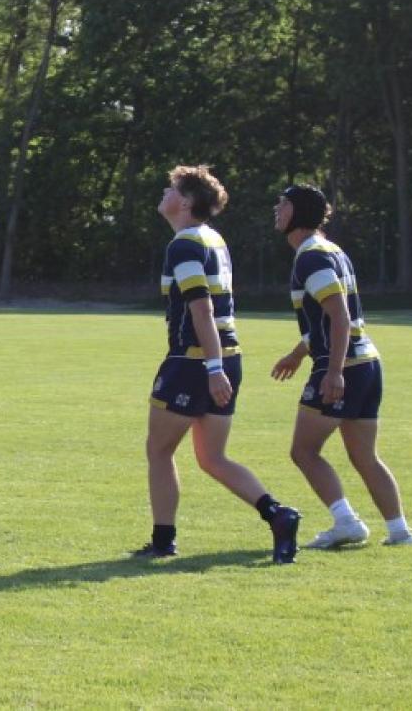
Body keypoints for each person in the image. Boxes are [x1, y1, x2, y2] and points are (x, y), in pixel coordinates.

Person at [137, 165, 301, 563]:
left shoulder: (185, 244)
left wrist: (211, 369)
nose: (164, 192)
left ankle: (163, 540)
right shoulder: (213, 239)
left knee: (159, 450)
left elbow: (200, 308)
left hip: (193, 361)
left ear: (187, 202)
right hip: (227, 356)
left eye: (171, 188)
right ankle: (278, 514)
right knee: (212, 457)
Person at [271, 185, 412, 549]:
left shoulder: (311, 256)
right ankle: (400, 531)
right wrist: (299, 352)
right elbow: (327, 318)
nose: (277, 209)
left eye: (283, 204)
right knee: (364, 456)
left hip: (344, 365)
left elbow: (339, 315)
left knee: (303, 451)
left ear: (298, 212)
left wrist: (333, 371)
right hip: (367, 363)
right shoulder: (331, 250)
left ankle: (346, 522)